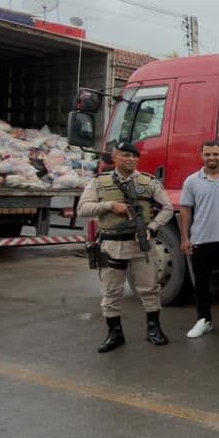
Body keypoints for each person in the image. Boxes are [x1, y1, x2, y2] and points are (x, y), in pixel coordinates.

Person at [76, 142, 174, 353]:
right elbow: (82, 209)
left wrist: (152, 227)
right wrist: (110, 206)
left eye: (134, 156)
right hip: (112, 244)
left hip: (141, 243)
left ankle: (154, 329)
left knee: (150, 288)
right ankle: (114, 333)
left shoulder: (148, 182)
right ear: (115, 157)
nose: (131, 159)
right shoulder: (100, 183)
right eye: (126, 155)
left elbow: (167, 208)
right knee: (112, 291)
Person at [179, 140, 219, 338]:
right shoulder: (191, 181)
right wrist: (184, 238)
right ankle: (203, 319)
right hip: (201, 240)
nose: (212, 158)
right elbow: (185, 209)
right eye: (207, 154)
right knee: (201, 283)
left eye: (215, 154)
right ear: (201, 156)